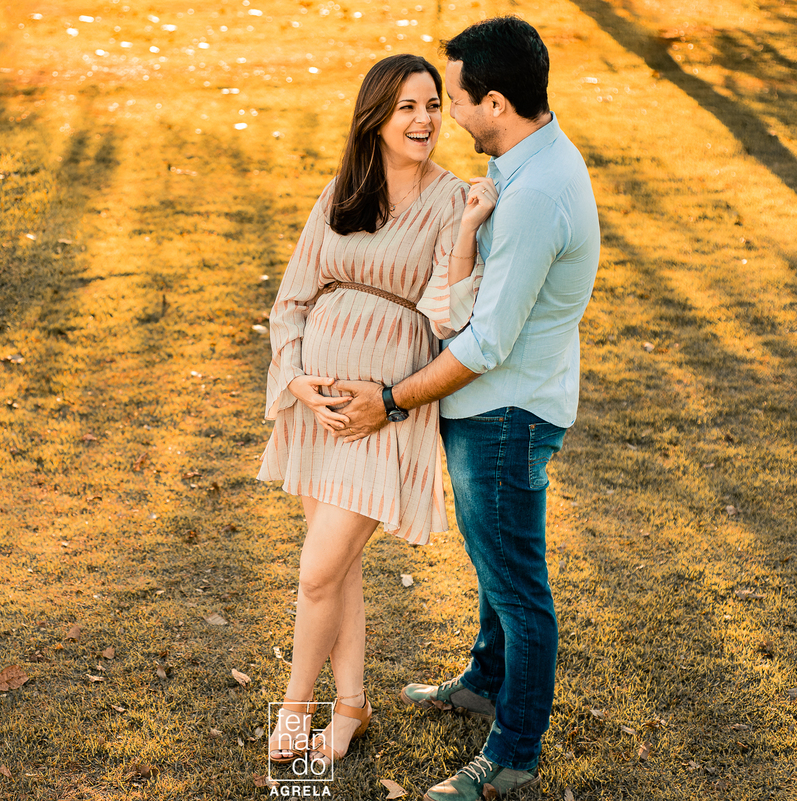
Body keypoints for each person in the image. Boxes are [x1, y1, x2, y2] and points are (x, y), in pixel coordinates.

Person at [330, 17, 601, 801]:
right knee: (498, 566)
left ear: (496, 101)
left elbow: (483, 342)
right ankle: (485, 679)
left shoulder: (534, 196)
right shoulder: (529, 160)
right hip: (507, 404)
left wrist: (389, 399)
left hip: (506, 412)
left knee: (519, 586)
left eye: (457, 99)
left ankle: (513, 751)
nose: (447, 113)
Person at [258, 54, 497, 771]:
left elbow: (453, 319)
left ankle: (297, 708)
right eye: (407, 109)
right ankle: (353, 703)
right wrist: (296, 381)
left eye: (432, 105)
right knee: (339, 572)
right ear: (376, 119)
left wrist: (466, 230)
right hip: (318, 407)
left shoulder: (455, 199)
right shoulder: (343, 191)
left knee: (317, 571)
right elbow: (292, 301)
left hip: (378, 413)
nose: (425, 120)